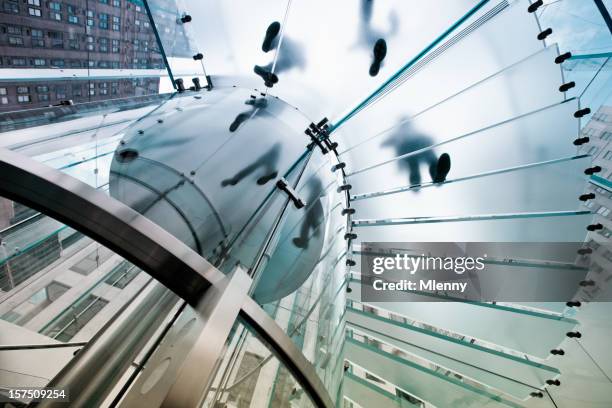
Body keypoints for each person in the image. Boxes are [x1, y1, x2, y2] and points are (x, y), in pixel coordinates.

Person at [381, 120, 451, 187]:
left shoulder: (414, 131)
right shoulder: (398, 133)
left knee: (428, 158)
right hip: (409, 152)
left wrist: (430, 142)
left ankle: (437, 175)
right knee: (414, 164)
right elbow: (386, 142)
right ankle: (416, 181)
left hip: (418, 149)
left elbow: (426, 137)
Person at [254, 22, 305, 87]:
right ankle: (268, 70)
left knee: (284, 59)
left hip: (291, 51)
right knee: (285, 63)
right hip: (295, 53)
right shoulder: (299, 49)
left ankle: (272, 42)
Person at [358, 0, 398, 76]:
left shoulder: (365, 36)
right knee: (365, 21)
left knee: (365, 21)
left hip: (371, 38)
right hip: (372, 38)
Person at [292, 177, 324, 249]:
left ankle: (305, 239)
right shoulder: (317, 191)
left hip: (314, 209)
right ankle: (305, 239)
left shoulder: (317, 190)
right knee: (308, 220)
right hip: (314, 209)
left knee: (308, 220)